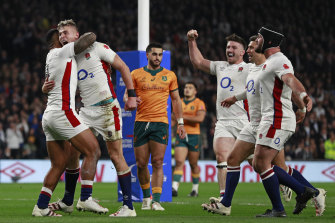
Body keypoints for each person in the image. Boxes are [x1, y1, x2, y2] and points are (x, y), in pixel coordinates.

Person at [205, 35, 326, 217]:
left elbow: (289, 82)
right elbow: (251, 90)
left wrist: (301, 102)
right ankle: (226, 204)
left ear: (261, 50)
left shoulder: (275, 64)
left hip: (272, 121)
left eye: (252, 48)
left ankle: (305, 194)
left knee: (264, 164)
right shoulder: (254, 69)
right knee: (234, 159)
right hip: (254, 123)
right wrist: (235, 98)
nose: (248, 51)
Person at [44, 19, 138, 217]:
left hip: (106, 108)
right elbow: (54, 82)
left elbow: (123, 67)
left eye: (66, 33)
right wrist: (44, 87)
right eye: (60, 34)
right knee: (71, 152)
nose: (62, 37)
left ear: (76, 35)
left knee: (115, 156)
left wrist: (131, 94)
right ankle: (70, 200)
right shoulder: (66, 56)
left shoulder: (97, 48)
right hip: (85, 110)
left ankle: (128, 207)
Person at [32, 29, 108, 217]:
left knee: (58, 165)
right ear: (56, 40)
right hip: (63, 112)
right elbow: (90, 38)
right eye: (60, 35)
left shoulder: (52, 57)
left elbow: (52, 85)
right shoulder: (61, 52)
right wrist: (75, 35)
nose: (63, 37)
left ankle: (41, 207)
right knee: (94, 150)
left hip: (49, 115)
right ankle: (86, 198)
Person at [187, 30, 251, 200]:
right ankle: (223, 199)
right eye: (228, 46)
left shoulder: (250, 68)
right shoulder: (220, 66)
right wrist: (191, 41)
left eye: (234, 47)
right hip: (223, 121)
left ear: (242, 52)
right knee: (222, 157)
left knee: (259, 164)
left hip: (244, 122)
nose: (229, 49)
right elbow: (198, 62)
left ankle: (283, 184)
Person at [129, 43, 186, 211]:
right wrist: (130, 100)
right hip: (141, 122)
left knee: (158, 162)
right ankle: (146, 198)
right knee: (140, 163)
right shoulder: (136, 74)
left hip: (161, 122)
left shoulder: (170, 75)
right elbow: (127, 95)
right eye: (154, 54)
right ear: (147, 55)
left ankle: (156, 201)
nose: (157, 58)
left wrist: (180, 122)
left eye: (160, 55)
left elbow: (176, 100)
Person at [172, 82, 206, 197]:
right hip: (180, 135)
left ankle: (195, 190)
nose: (187, 89)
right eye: (186, 87)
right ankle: (174, 188)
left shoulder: (199, 103)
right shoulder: (179, 102)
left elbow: (200, 118)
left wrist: (181, 116)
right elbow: (173, 119)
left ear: (195, 91)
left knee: (193, 164)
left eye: (190, 88)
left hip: (194, 136)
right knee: (179, 162)